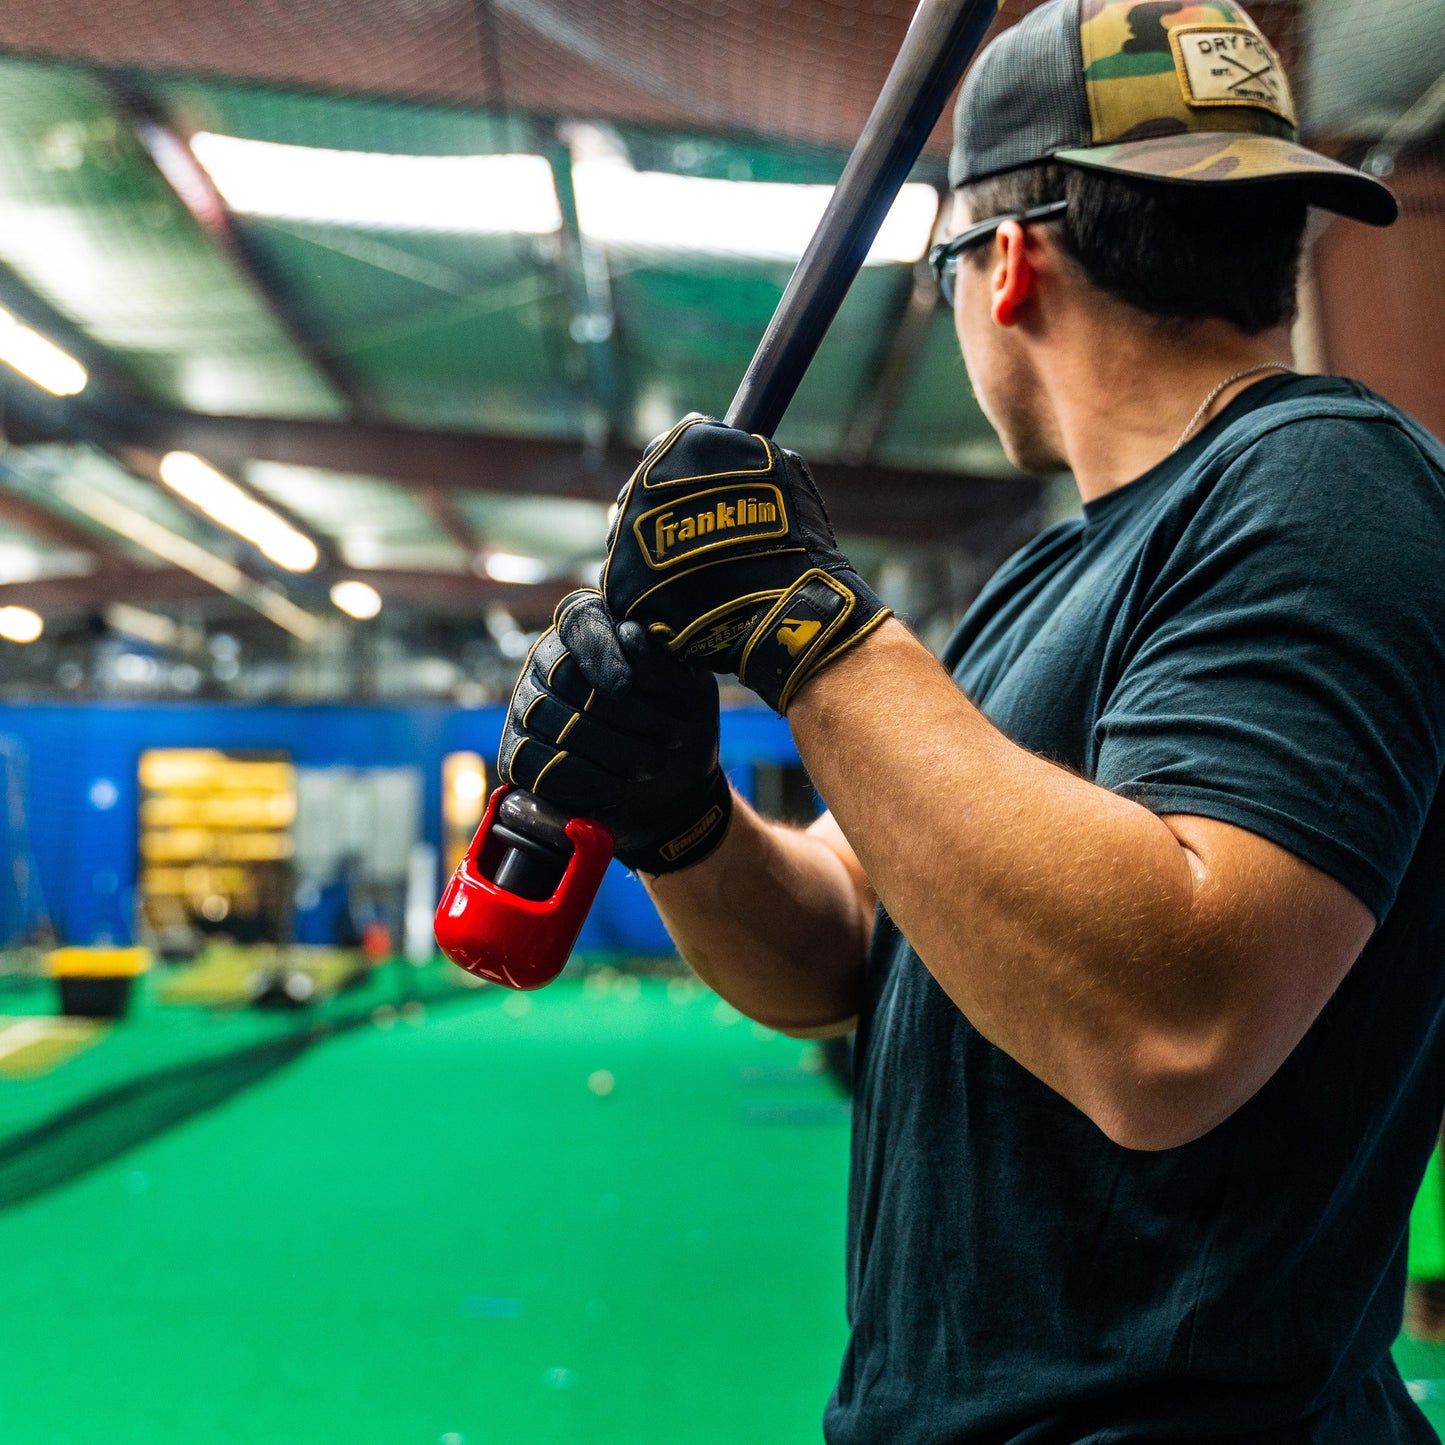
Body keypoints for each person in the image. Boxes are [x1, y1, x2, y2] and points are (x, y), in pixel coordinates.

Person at [498, 0, 1445, 1438]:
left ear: (1002, 266)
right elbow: (852, 943)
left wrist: (810, 633)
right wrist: (680, 814)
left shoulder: (1320, 487)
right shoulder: (1042, 582)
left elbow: (1172, 1020)